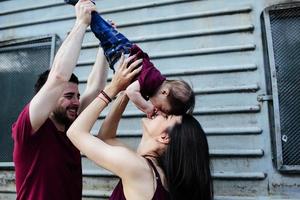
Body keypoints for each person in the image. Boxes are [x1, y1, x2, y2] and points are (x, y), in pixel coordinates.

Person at [66, 54, 213, 200]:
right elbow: (106, 138)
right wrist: (125, 92)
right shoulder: (158, 175)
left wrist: (112, 89)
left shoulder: (139, 169)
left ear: (164, 137)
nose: (159, 110)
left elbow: (75, 132)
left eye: (166, 116)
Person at [11, 1, 108, 199]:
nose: (76, 102)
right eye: (68, 96)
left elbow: (96, 87)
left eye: (77, 96)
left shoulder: (71, 127)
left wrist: (105, 44)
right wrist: (81, 23)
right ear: (49, 98)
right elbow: (58, 77)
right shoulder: (29, 130)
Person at [90, 8, 195, 118]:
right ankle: (87, 7)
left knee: (101, 31)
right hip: (121, 49)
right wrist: (147, 108)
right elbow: (131, 92)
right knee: (98, 26)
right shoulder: (152, 81)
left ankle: (94, 16)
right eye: (161, 108)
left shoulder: (152, 86)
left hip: (117, 54)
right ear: (164, 92)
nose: (157, 110)